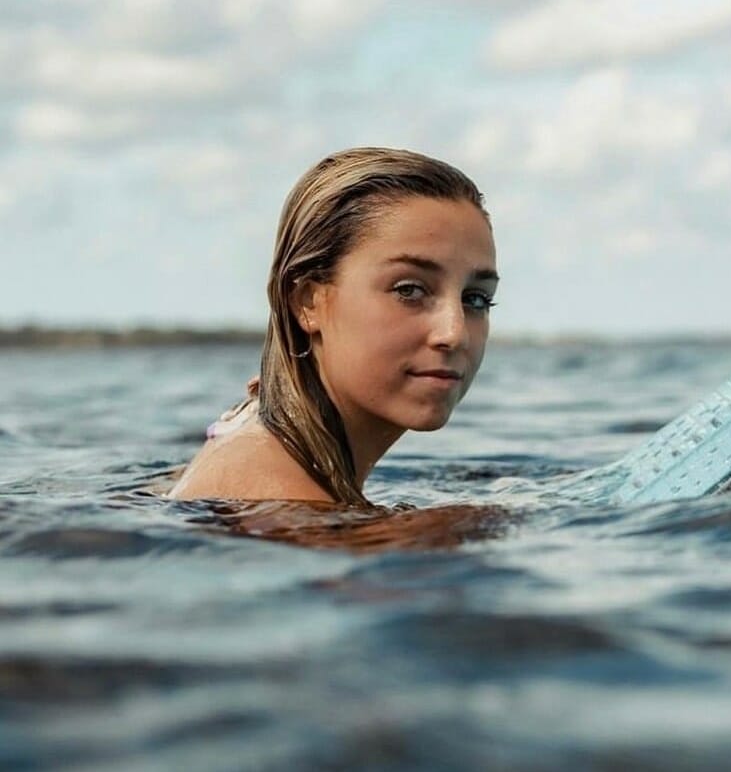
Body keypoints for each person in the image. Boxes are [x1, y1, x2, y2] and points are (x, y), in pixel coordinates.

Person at [168, 147, 498, 508]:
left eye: (476, 299)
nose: (455, 333)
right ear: (307, 302)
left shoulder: (260, 427)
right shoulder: (285, 507)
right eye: (409, 290)